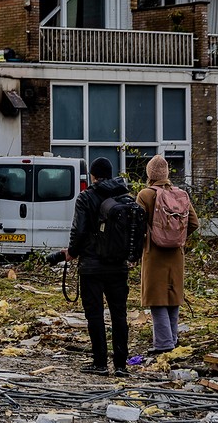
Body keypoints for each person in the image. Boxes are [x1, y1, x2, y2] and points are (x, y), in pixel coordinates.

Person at [66, 156, 133, 377]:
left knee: (94, 314)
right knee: (119, 315)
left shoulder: (86, 197)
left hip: (92, 267)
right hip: (118, 265)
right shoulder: (124, 197)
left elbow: (79, 229)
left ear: (93, 176)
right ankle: (121, 365)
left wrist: (73, 253)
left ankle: (100, 363)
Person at [135, 155, 198, 353]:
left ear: (149, 174)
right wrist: (177, 236)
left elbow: (136, 227)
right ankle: (172, 339)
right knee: (172, 297)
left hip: (154, 253)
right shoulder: (180, 194)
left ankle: (163, 344)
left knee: (157, 299)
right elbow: (194, 223)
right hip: (176, 254)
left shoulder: (145, 195)